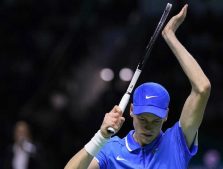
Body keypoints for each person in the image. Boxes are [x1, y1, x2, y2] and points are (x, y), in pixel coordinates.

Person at [65, 4, 211, 169]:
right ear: (132, 110)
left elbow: (202, 88)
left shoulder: (177, 142)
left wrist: (170, 36)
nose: (148, 127)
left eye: (155, 120)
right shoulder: (111, 149)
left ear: (166, 115)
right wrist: (100, 137)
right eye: (142, 119)